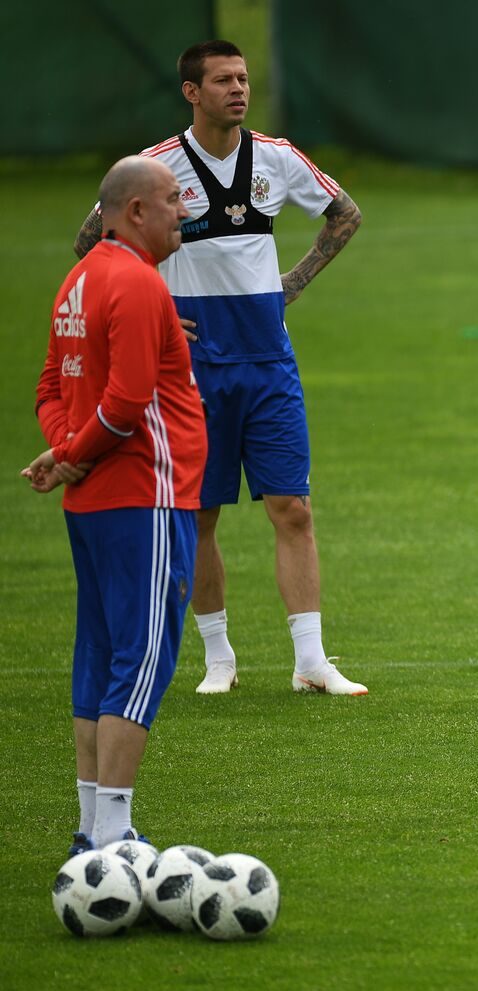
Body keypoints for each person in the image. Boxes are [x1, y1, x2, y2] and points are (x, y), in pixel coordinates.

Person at [74, 40, 366, 696]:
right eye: (223, 80)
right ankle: (218, 657)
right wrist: (148, 308)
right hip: (190, 369)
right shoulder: (154, 168)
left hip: (268, 360)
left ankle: (311, 661)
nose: (238, 89)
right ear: (191, 92)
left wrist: (295, 279)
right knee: (201, 513)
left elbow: (345, 213)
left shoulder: (279, 159)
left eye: (242, 78)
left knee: (293, 506)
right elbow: (88, 246)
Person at [28, 156, 207, 852]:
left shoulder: (79, 279)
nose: (181, 211)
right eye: (170, 200)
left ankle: (89, 828)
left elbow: (49, 387)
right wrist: (80, 449)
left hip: (95, 499)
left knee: (98, 656)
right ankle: (115, 833)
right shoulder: (136, 283)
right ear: (135, 211)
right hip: (146, 495)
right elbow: (130, 404)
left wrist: (68, 449)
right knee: (142, 658)